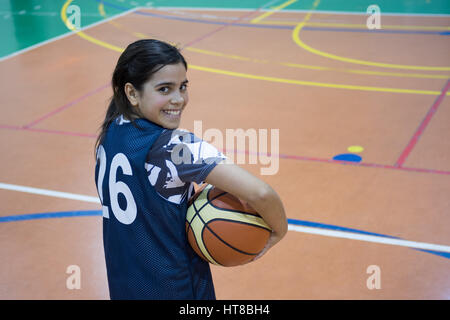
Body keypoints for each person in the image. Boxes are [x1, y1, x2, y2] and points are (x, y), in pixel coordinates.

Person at [94, 39, 287, 300]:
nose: (179, 99)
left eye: (183, 87)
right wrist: (279, 231)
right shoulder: (175, 146)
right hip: (176, 288)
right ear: (132, 93)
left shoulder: (110, 132)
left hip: (125, 287)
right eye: (164, 89)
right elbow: (261, 193)